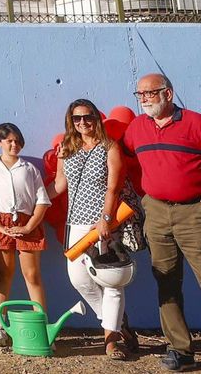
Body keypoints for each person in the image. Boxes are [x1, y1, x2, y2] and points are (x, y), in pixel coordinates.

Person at [122, 73, 201, 374]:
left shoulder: (196, 123)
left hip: (196, 214)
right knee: (166, 283)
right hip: (155, 212)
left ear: (168, 93)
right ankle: (180, 351)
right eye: (139, 94)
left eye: (149, 93)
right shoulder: (137, 128)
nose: (143, 99)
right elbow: (120, 155)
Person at [48, 99, 134, 360]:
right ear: (70, 121)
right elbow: (59, 185)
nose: (82, 122)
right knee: (79, 279)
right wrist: (33, 200)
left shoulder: (110, 147)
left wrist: (106, 219)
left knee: (111, 281)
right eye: (77, 118)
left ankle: (111, 340)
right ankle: (117, 325)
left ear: (96, 117)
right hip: (75, 225)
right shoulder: (68, 148)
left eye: (87, 117)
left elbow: (113, 187)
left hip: (102, 224)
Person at [0, 122, 49, 348]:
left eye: (17, 140)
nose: (14, 144)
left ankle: (42, 328)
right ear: (0, 142)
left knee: (32, 276)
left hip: (28, 224)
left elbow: (42, 201)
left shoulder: (29, 169)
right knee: (4, 275)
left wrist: (28, 228)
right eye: (9, 140)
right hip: (2, 225)